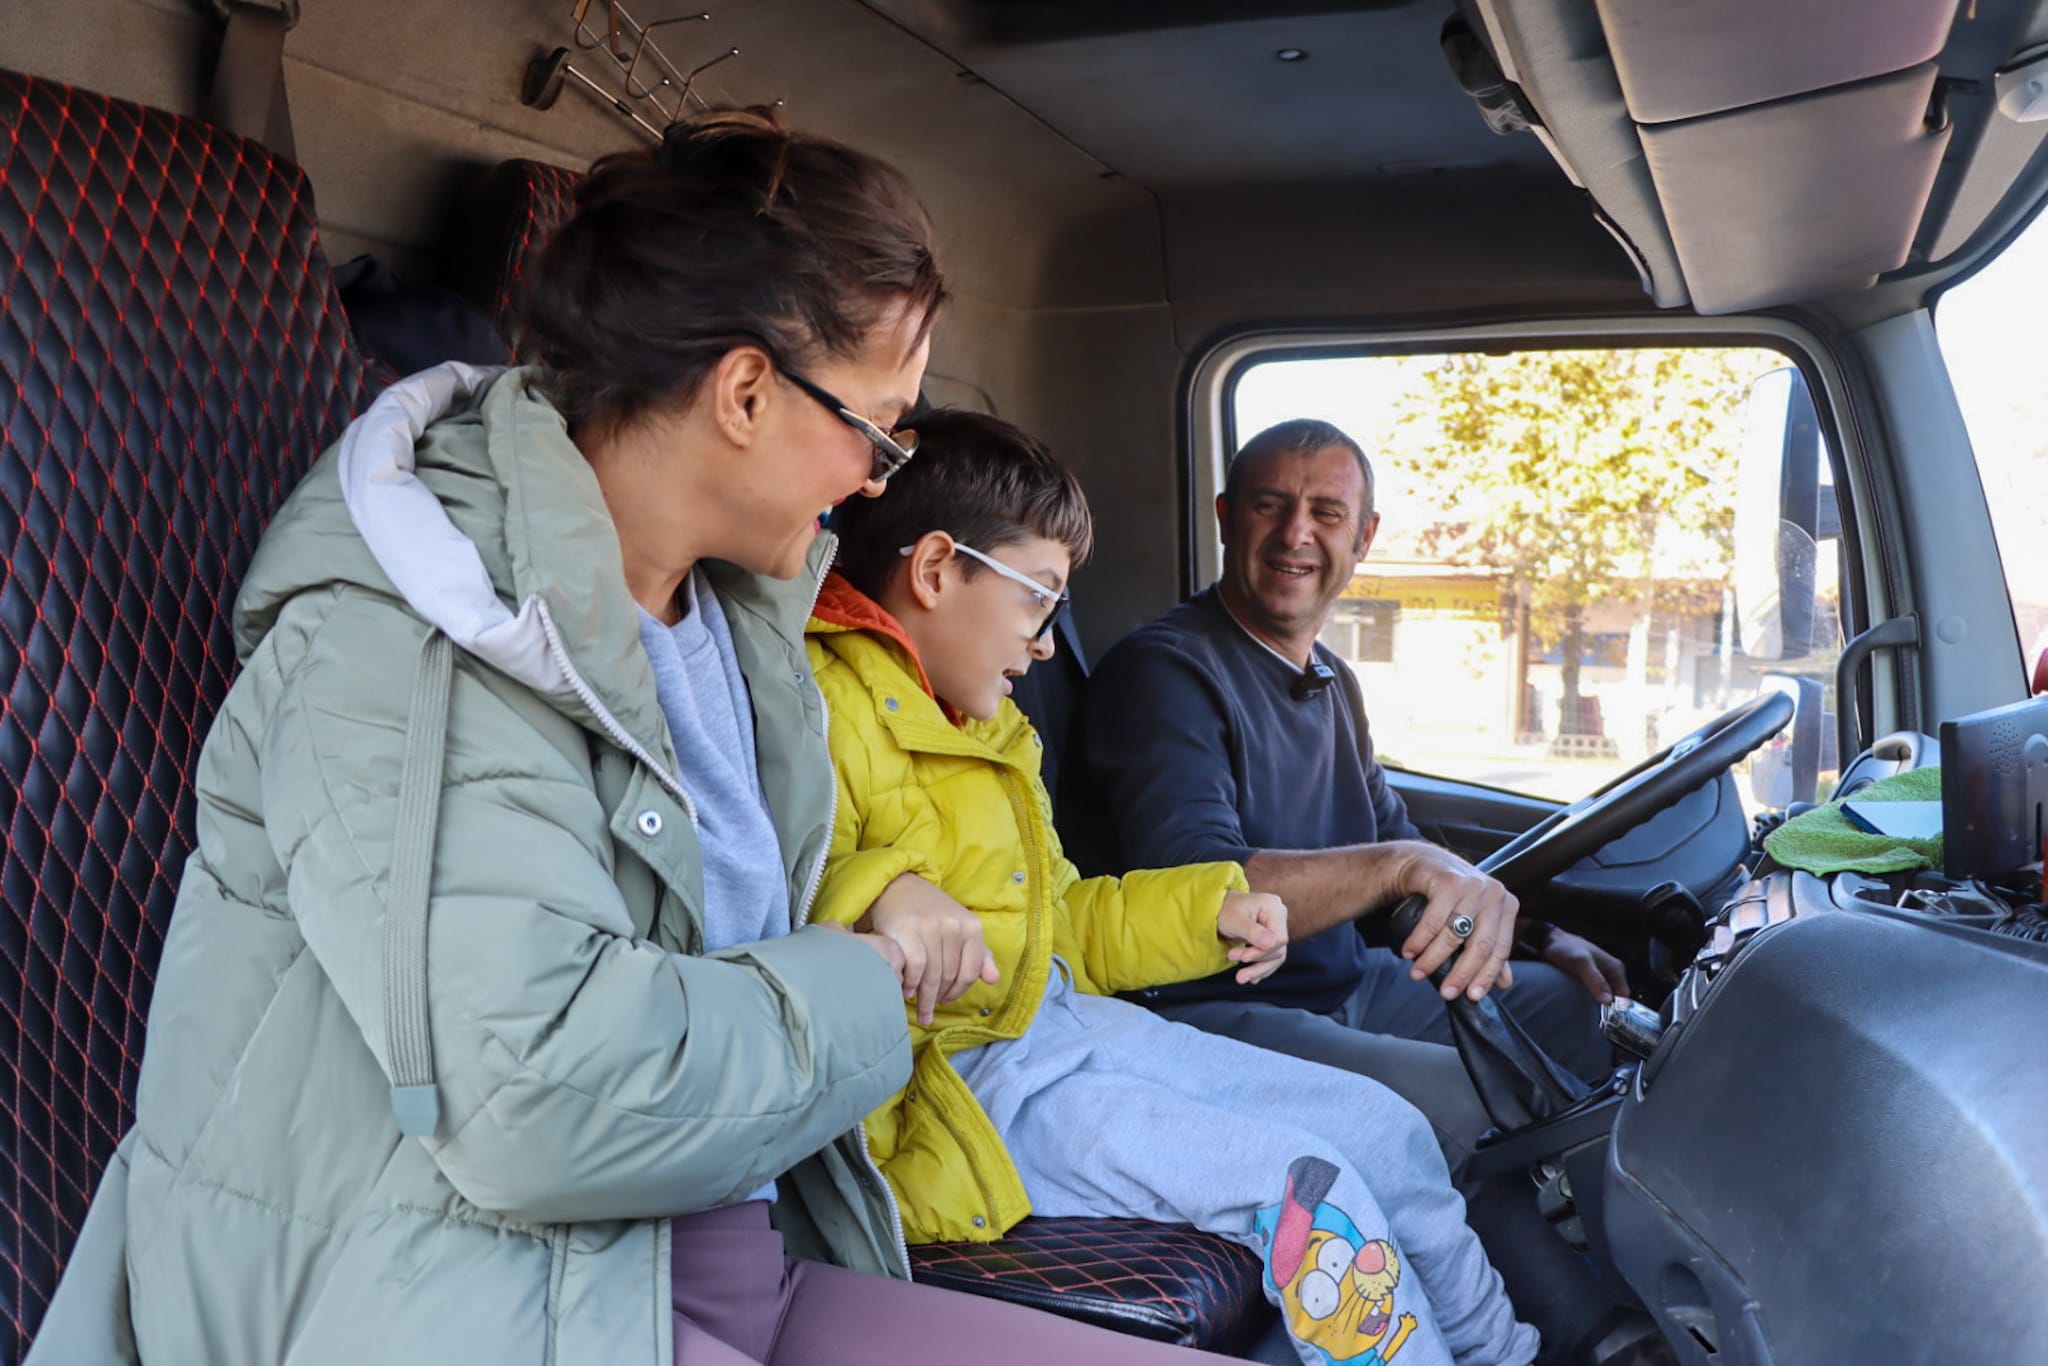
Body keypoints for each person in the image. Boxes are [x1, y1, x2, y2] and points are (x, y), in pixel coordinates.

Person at [28, 113, 1240, 1366]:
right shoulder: (405, 640)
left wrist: (870, 897)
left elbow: (707, 921)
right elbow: (538, 1100)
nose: (880, 478)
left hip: (713, 1251)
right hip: (460, 1294)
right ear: (746, 392)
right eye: (877, 432)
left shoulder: (737, 620)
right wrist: (859, 981)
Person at [807, 409, 1540, 1366]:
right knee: (1308, 1193)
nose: (1046, 645)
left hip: (1063, 1025)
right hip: (959, 1085)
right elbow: (773, 900)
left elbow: (1062, 921)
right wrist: (883, 894)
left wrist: (1211, 911)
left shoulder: (991, 731)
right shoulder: (816, 705)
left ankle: (1505, 1356)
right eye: (1040, 600)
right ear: (939, 570)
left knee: (1385, 1127)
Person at [1081, 418, 1625, 1174]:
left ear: (1363, 536)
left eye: (1326, 513)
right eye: (1269, 506)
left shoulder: (1333, 680)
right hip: (1211, 1010)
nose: (1295, 534)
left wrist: (1536, 935)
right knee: (1481, 1104)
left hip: (1348, 984)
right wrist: (1397, 865)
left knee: (1573, 1010)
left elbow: (1393, 845)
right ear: (1227, 518)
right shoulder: (1164, 673)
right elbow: (1197, 886)